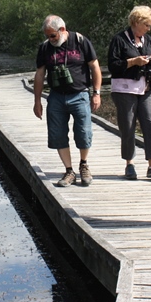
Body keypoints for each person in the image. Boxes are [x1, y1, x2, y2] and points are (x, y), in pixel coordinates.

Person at [33, 15, 102, 187]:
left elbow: (95, 67)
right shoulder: (45, 48)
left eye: (52, 36)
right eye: (48, 36)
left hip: (79, 94)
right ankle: (69, 171)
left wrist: (97, 93)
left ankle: (84, 164)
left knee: (84, 133)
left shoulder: (80, 41)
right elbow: (40, 74)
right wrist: (37, 101)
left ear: (62, 30)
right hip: (56, 96)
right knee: (57, 134)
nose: (50, 39)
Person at [107, 6, 151, 181]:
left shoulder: (148, 40)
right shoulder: (119, 40)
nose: (149, 29)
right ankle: (129, 164)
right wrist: (133, 62)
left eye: (150, 26)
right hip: (124, 89)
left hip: (146, 88)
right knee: (128, 127)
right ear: (136, 22)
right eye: (147, 25)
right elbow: (113, 66)